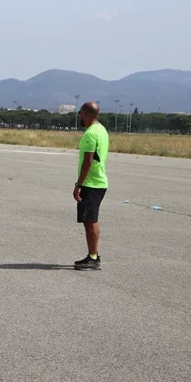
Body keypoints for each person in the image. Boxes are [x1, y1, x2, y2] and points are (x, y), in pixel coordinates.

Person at [73, 101, 109, 270]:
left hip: (91, 183)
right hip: (99, 182)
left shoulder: (90, 134)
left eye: (80, 113)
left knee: (90, 220)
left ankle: (93, 258)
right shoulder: (101, 129)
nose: (79, 116)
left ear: (87, 114)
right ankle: (93, 255)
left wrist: (79, 184)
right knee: (91, 220)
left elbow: (87, 161)